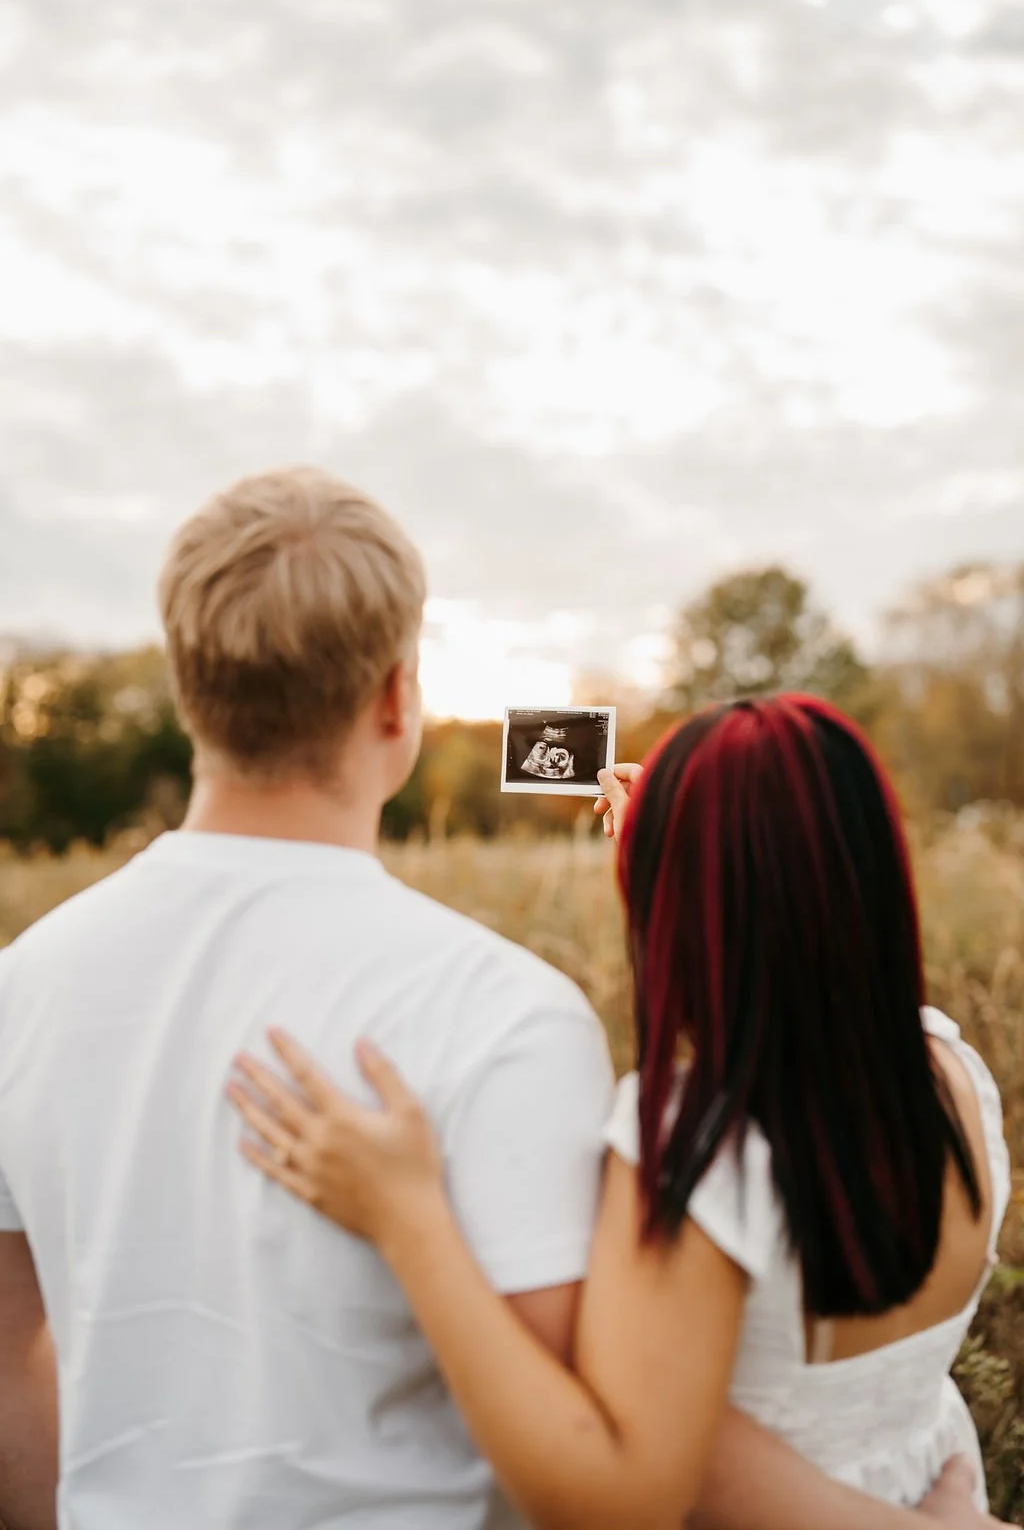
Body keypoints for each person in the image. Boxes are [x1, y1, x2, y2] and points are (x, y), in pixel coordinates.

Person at [0, 469, 1000, 1530]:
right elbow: (618, 1458)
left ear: (186, 683)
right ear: (397, 696)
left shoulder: (20, 986)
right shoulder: (513, 1016)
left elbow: (16, 1372)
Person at [230, 695, 1013, 1530]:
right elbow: (818, 966)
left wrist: (408, 1217)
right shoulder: (952, 1073)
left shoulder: (701, 1151)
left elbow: (627, 1484)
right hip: (939, 1482)